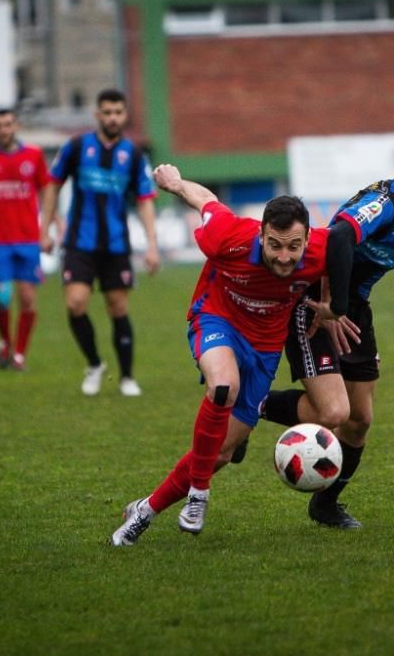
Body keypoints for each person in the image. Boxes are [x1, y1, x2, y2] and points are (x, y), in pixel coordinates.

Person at [236, 134, 394, 530]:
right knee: (333, 412)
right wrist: (335, 308)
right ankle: (250, 404)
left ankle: (325, 504)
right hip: (316, 304)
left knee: (359, 420)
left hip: (352, 307)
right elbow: (339, 236)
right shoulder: (381, 205)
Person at [110, 163, 359, 547]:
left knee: (222, 453)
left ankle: (144, 511)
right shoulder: (227, 236)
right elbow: (205, 199)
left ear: (307, 238)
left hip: (265, 346)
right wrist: (175, 184)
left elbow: (342, 245)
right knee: (223, 385)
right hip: (217, 320)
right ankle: (199, 495)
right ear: (261, 233)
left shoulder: (319, 250)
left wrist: (330, 304)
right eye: (274, 244)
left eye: (294, 246)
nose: (283, 256)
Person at [41, 88, 160, 398]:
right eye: (107, 112)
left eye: (118, 112)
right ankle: (94, 364)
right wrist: (45, 229)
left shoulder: (134, 155)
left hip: (116, 245)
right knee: (75, 302)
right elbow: (53, 186)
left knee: (118, 307)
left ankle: (127, 378)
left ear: (125, 115)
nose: (112, 118)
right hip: (79, 242)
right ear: (97, 115)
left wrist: (151, 245)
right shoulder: (77, 147)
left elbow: (146, 201)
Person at [0, 108, 53, 371]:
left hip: (28, 239)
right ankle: (4, 341)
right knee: (2, 299)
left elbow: (47, 189)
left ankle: (20, 355)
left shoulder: (34, 155)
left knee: (27, 299)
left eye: (8, 124)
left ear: (17, 126)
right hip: (0, 240)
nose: (4, 129)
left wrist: (48, 227)